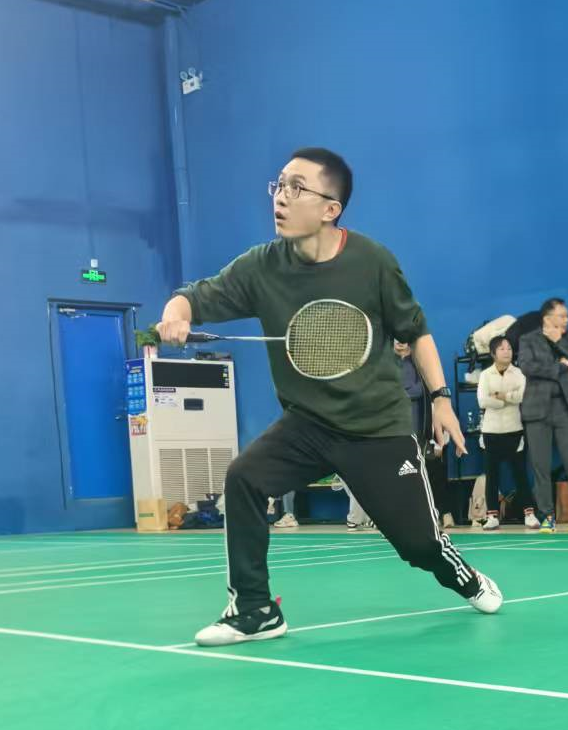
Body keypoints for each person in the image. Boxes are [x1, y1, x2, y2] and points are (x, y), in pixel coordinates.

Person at [156, 147, 501, 646]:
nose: (280, 197)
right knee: (244, 478)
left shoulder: (371, 261)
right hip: (308, 424)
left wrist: (442, 399)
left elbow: (416, 330)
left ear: (330, 208)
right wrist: (176, 314)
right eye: (278, 185)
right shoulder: (261, 266)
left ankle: (464, 578)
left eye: (296, 188)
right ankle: (254, 609)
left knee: (419, 545)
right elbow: (195, 295)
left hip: (376, 428)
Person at [518, 298, 568, 533]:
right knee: (540, 465)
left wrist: (559, 341)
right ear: (547, 318)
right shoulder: (528, 339)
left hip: (564, 407)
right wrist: (559, 367)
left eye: (567, 316)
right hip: (536, 409)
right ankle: (547, 515)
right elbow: (527, 367)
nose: (566, 319)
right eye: (562, 315)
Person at [477, 336, 534, 530]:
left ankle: (529, 514)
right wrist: (507, 400)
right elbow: (483, 401)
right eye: (502, 349)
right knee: (492, 476)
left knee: (520, 474)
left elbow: (522, 396)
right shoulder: (485, 375)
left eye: (509, 348)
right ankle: (492, 516)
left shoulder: (518, 373)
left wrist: (501, 396)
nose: (507, 352)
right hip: (491, 431)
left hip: (514, 430)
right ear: (493, 353)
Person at [396, 340, 455, 529]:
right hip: (396, 433)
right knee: (403, 477)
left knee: (433, 474)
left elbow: (424, 393)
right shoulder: (388, 365)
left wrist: (438, 439)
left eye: (404, 339)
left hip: (424, 433)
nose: (400, 343)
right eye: (396, 339)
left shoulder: (423, 366)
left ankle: (442, 513)